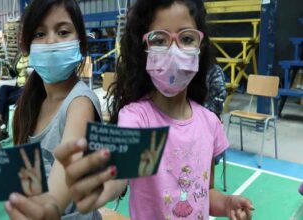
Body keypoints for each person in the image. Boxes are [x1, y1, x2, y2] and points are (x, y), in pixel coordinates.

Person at [55, 0, 254, 219]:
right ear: (144, 50)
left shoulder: (210, 123)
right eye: (159, 40)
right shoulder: (137, 118)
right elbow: (120, 174)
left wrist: (226, 204)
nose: (174, 51)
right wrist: (101, 185)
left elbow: (205, 192)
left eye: (186, 39)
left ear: (200, 46)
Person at [0, 0, 102, 219]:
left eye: (62, 32)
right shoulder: (30, 102)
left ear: (81, 43)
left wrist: (46, 207)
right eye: (39, 34)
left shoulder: (80, 104)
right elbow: (22, 179)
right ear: (27, 46)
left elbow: (65, 169)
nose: (51, 41)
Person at [0, 52, 29, 141]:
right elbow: (14, 75)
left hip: (28, 88)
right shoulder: (19, 56)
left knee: (2, 101)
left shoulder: (33, 55)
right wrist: (9, 67)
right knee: (3, 88)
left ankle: (3, 131)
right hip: (18, 87)